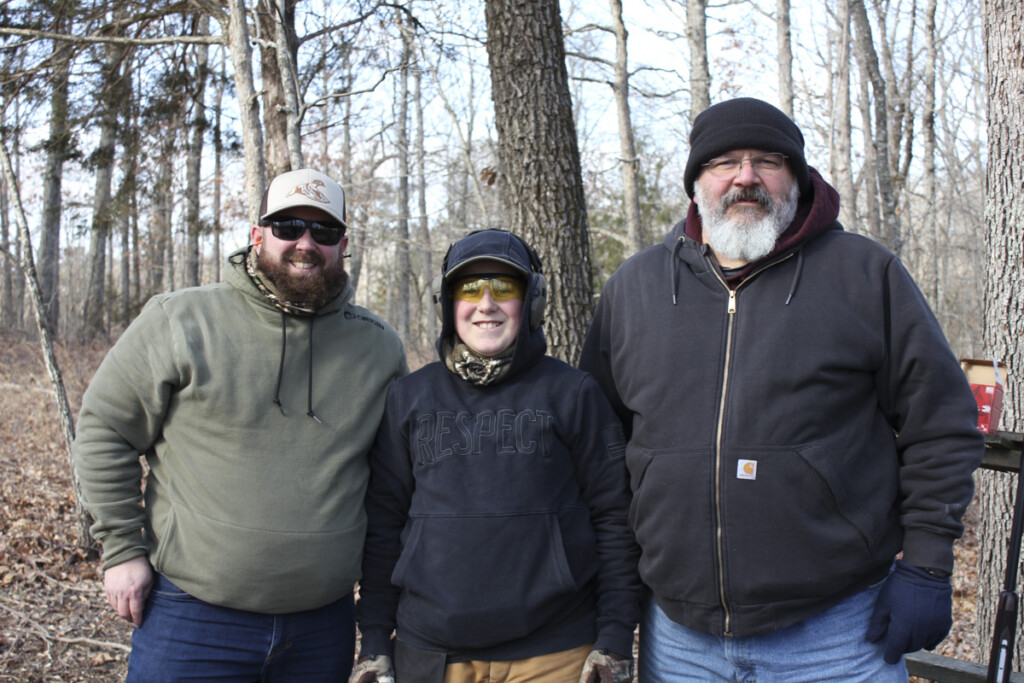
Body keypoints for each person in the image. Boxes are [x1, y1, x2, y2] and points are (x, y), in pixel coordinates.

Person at [578, 97, 985, 681]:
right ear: (696, 182)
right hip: (678, 639)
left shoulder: (864, 275)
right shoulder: (634, 289)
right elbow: (601, 448)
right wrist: (614, 602)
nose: (745, 177)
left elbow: (941, 424)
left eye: (767, 161)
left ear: (796, 178)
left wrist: (927, 563)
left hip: (836, 635)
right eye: (724, 162)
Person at [71, 168, 408, 681]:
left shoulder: (378, 347)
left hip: (322, 628)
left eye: (324, 231)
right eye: (288, 226)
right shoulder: (181, 320)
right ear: (257, 235)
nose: (305, 243)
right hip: (191, 617)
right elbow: (104, 431)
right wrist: (120, 550)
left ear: (343, 246)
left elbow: (393, 483)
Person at [348, 229, 640, 683]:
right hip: (432, 650)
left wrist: (615, 637)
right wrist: (373, 641)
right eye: (470, 289)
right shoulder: (409, 397)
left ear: (532, 302)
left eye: (504, 288)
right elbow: (384, 524)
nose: (486, 304)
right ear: (447, 304)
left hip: (554, 651)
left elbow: (614, 517)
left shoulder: (574, 393)